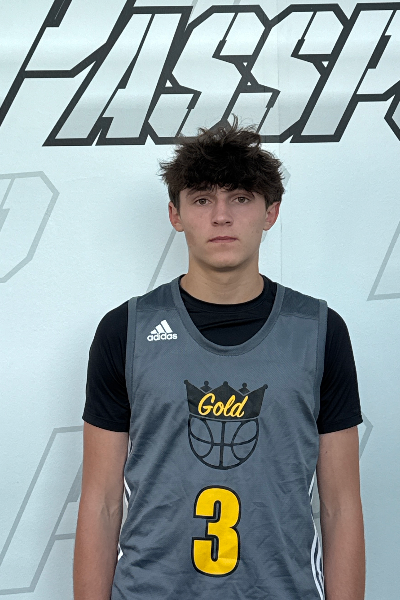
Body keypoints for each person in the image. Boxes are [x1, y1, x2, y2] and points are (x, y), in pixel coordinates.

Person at [74, 119, 365, 600]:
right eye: (203, 199)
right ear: (176, 214)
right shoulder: (125, 331)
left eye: (241, 198)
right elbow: (102, 503)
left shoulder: (319, 331)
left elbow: (340, 506)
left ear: (271, 212)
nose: (222, 216)